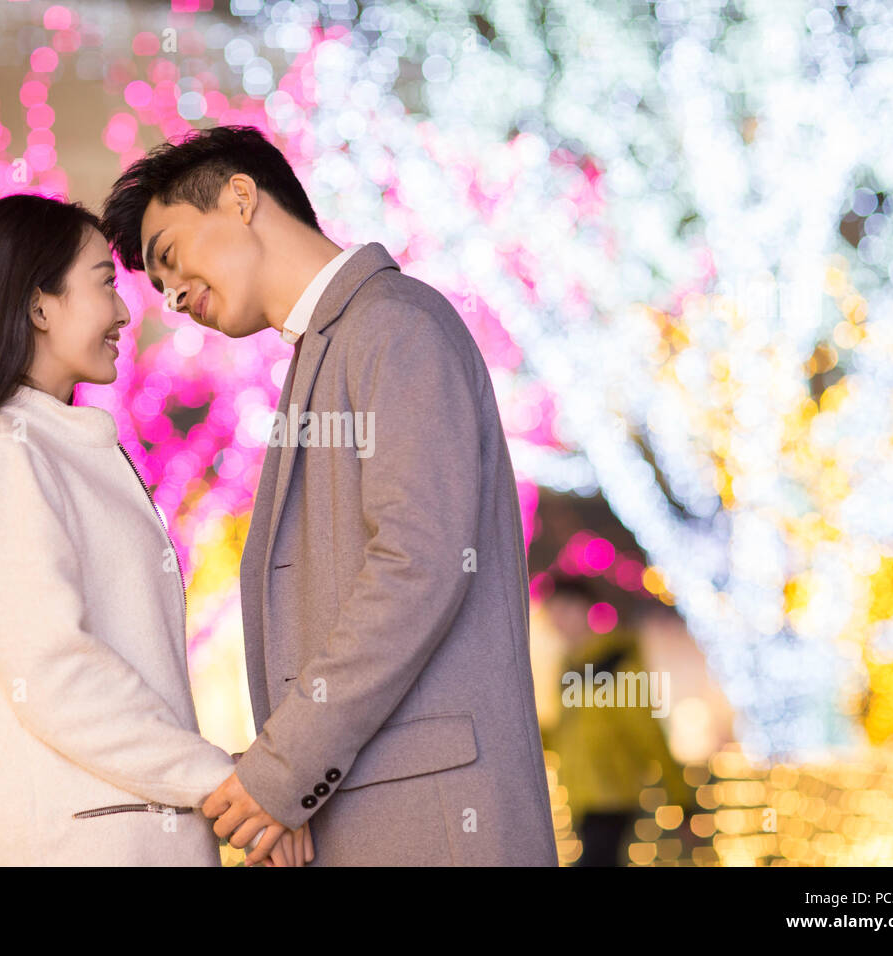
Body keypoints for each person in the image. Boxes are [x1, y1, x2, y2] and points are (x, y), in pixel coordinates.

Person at [101, 125, 560, 865]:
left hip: (434, 821)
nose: (173, 296)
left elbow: (418, 563)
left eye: (169, 258)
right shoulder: (331, 350)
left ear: (240, 198)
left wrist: (282, 771)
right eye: (158, 286)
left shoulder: (394, 326)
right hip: (388, 814)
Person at [0, 193, 307, 865]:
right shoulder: (8, 452)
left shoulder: (47, 446)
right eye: (105, 283)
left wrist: (221, 778)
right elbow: (55, 672)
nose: (124, 311)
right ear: (40, 304)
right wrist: (221, 781)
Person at [541, 572, 694, 866]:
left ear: (585, 608)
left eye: (564, 611)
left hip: (613, 798)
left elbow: (647, 731)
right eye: (552, 613)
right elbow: (565, 734)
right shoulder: (570, 665)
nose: (558, 622)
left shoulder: (617, 661)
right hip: (582, 798)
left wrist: (682, 800)